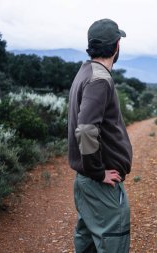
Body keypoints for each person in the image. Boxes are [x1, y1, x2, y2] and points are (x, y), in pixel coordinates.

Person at [68, 18, 133, 253]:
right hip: (99, 184)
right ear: (117, 46)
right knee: (113, 240)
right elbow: (86, 129)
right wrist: (97, 171)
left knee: (88, 243)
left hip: (87, 181)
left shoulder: (85, 72)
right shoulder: (99, 79)